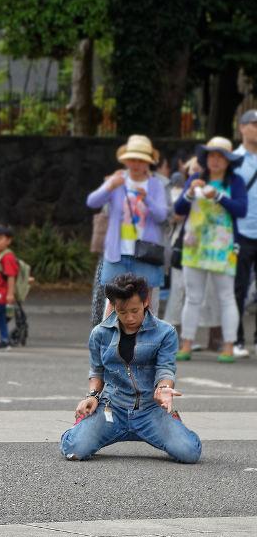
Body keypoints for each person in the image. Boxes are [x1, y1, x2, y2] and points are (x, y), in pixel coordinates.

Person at [59, 273, 201, 464]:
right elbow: (97, 371)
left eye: (135, 310)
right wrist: (92, 396)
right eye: (122, 311)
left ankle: (170, 421)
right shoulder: (100, 333)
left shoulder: (165, 332)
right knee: (74, 449)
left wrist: (164, 389)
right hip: (112, 408)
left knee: (189, 452)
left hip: (150, 410)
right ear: (113, 306)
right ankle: (83, 426)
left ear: (146, 302)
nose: (130, 317)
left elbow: (165, 368)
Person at [174, 137, 247, 363]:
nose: (215, 160)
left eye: (221, 157)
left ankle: (228, 345)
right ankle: (186, 343)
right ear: (205, 159)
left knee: (226, 297)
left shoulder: (235, 182)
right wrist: (189, 192)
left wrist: (217, 195)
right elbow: (179, 208)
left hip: (223, 247)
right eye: (212, 156)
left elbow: (241, 210)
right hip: (194, 245)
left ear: (228, 161)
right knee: (192, 297)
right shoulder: (195, 178)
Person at [86, 135, 168, 313]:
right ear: (126, 161)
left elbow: (162, 216)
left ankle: (145, 333)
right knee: (112, 301)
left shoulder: (156, 185)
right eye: (132, 159)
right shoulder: (117, 181)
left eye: (141, 160)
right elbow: (92, 202)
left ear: (148, 162)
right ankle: (109, 332)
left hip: (145, 253)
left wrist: (147, 199)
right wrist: (109, 186)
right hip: (117, 253)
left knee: (145, 303)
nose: (136, 164)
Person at [232, 109, 257, 358]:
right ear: (242, 127)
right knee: (238, 288)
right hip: (240, 232)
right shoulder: (234, 159)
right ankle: (237, 339)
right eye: (254, 124)